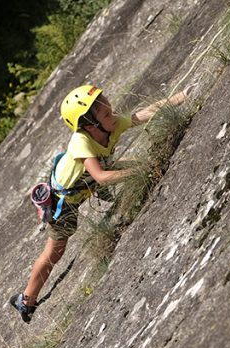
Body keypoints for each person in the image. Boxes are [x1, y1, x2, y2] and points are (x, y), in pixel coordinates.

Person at [10, 83, 190, 322]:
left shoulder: (110, 125)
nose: (111, 113)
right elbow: (101, 177)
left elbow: (140, 115)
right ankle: (26, 300)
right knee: (55, 251)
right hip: (64, 202)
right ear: (88, 125)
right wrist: (144, 171)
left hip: (88, 183)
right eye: (105, 113)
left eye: (108, 106)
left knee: (136, 161)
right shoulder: (80, 143)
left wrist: (180, 97)